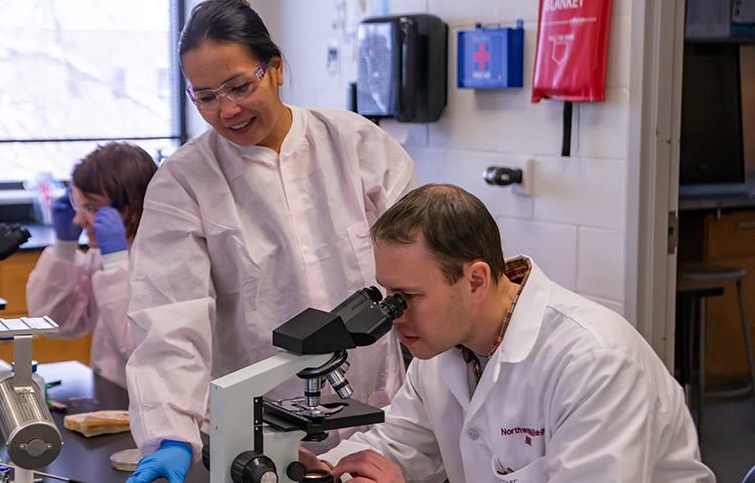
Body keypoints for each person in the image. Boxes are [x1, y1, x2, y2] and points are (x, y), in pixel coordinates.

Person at [124, 0, 418, 483]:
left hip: (377, 417)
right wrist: (170, 431)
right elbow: (170, 316)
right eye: (206, 96)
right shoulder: (184, 181)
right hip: (257, 433)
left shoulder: (356, 145)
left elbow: (423, 269)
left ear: (276, 68)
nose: (228, 109)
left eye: (239, 86)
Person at [300, 184, 715, 483]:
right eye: (388, 295)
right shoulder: (444, 350)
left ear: (476, 281)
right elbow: (398, 443)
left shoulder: (594, 363)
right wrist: (319, 470)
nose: (393, 315)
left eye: (407, 296)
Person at [26, 142, 157, 389]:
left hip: (155, 403)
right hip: (110, 391)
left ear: (135, 205)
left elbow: (145, 352)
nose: (78, 219)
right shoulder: (100, 254)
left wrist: (116, 265)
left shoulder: (168, 258)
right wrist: (64, 248)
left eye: (92, 208)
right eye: (78, 205)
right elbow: (55, 324)